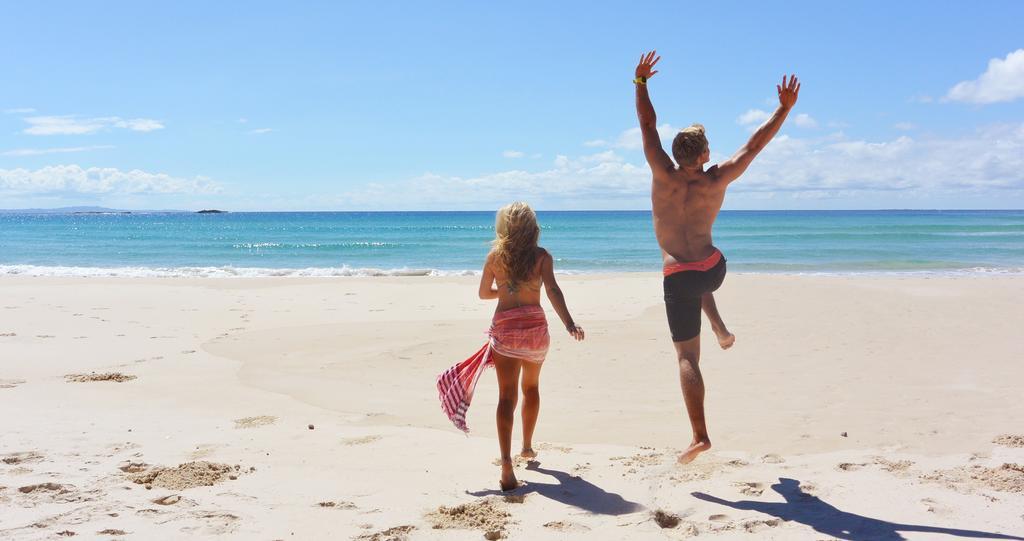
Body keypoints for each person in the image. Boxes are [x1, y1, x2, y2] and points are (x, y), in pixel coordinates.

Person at [633, 50, 800, 464]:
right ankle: (722, 330)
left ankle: (699, 436)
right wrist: (783, 109)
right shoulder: (719, 176)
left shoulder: (661, 170)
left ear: (677, 154)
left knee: (687, 356)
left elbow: (647, 124)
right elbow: (755, 144)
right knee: (698, 280)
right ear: (705, 154)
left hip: (680, 274)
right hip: (714, 268)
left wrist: (640, 83)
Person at [436, 202, 584, 491]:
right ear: (533, 228)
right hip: (534, 331)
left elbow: (483, 294)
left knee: (506, 397)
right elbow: (552, 290)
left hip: (505, 331)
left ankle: (506, 464)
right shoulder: (542, 257)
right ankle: (527, 447)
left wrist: (504, 290)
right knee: (531, 389)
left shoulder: (494, 257)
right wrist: (569, 323)